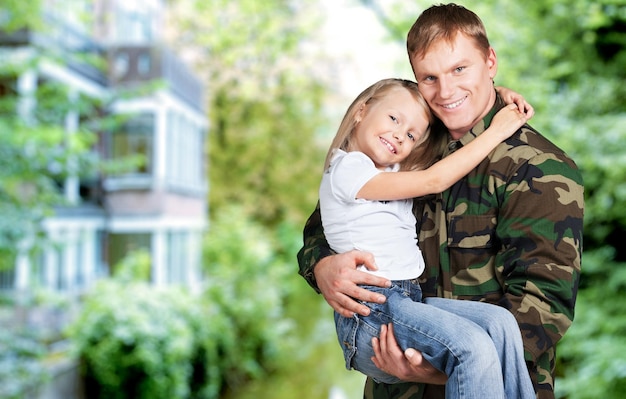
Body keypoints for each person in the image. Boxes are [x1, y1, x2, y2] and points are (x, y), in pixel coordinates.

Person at [297, 3, 584, 399]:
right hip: (394, 384)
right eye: (429, 77)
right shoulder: (407, 148)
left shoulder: (538, 168)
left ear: (490, 62)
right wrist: (325, 268)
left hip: (494, 384)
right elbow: (325, 225)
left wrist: (444, 370)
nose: (445, 91)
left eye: (460, 69)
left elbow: (542, 309)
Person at [320, 77, 534, 398]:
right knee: (472, 347)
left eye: (410, 135)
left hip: (405, 300)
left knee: (499, 324)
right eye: (393, 118)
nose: (398, 134)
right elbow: (435, 180)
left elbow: (446, 128)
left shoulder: (390, 170)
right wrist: (499, 130)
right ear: (361, 111)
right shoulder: (349, 169)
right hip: (371, 314)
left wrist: (494, 96)